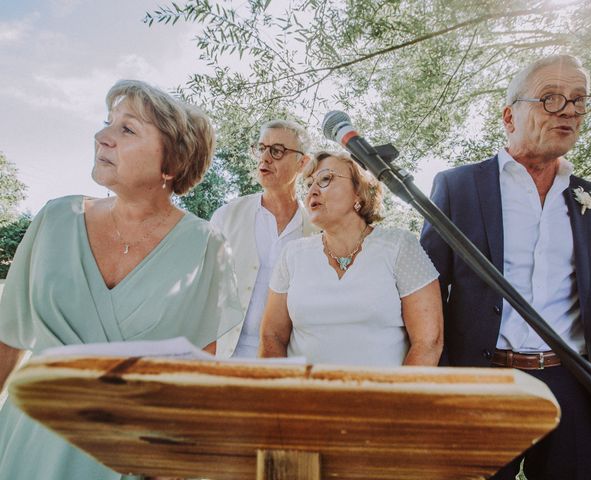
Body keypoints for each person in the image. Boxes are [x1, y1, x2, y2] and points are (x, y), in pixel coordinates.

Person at [0, 79, 242, 480]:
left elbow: (196, 375)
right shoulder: (54, 219)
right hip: (27, 443)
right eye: (107, 123)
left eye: (126, 129)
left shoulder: (205, 246)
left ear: (172, 164)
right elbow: (7, 338)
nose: (101, 136)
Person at [421, 54, 591, 479]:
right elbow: (427, 288)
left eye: (578, 100)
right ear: (509, 115)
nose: (570, 111)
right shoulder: (458, 186)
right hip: (483, 380)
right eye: (551, 99)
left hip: (573, 382)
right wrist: (438, 377)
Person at [259, 151, 443, 366]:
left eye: (325, 179)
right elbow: (272, 336)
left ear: (359, 190)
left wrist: (396, 398)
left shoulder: (400, 246)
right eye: (309, 184)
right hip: (303, 396)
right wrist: (281, 394)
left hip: (381, 396)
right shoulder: (292, 254)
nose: (312, 191)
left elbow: (428, 342)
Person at [211, 120, 318, 358]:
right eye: (261, 148)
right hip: (223, 357)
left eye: (277, 151)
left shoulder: (317, 230)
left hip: (287, 362)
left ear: (303, 163)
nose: (265, 158)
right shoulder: (227, 215)